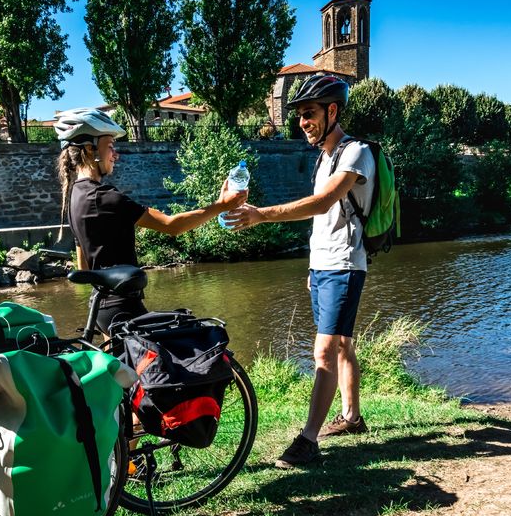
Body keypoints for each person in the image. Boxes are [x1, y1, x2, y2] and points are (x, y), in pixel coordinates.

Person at [225, 74, 374, 469]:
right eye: (300, 116)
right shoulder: (325, 157)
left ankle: (308, 441)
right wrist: (311, 267)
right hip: (323, 265)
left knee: (324, 350)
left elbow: (322, 205)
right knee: (343, 344)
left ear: (332, 111)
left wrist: (260, 215)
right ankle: (353, 418)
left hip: (344, 265)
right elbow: (323, 223)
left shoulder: (355, 153)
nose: (303, 122)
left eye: (309, 114)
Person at [54, 107, 247, 335]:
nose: (116, 155)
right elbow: (171, 225)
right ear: (89, 149)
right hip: (122, 307)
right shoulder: (104, 197)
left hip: (101, 308)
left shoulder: (75, 195)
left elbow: (83, 266)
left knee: (129, 370)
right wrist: (222, 206)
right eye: (110, 146)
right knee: (185, 351)